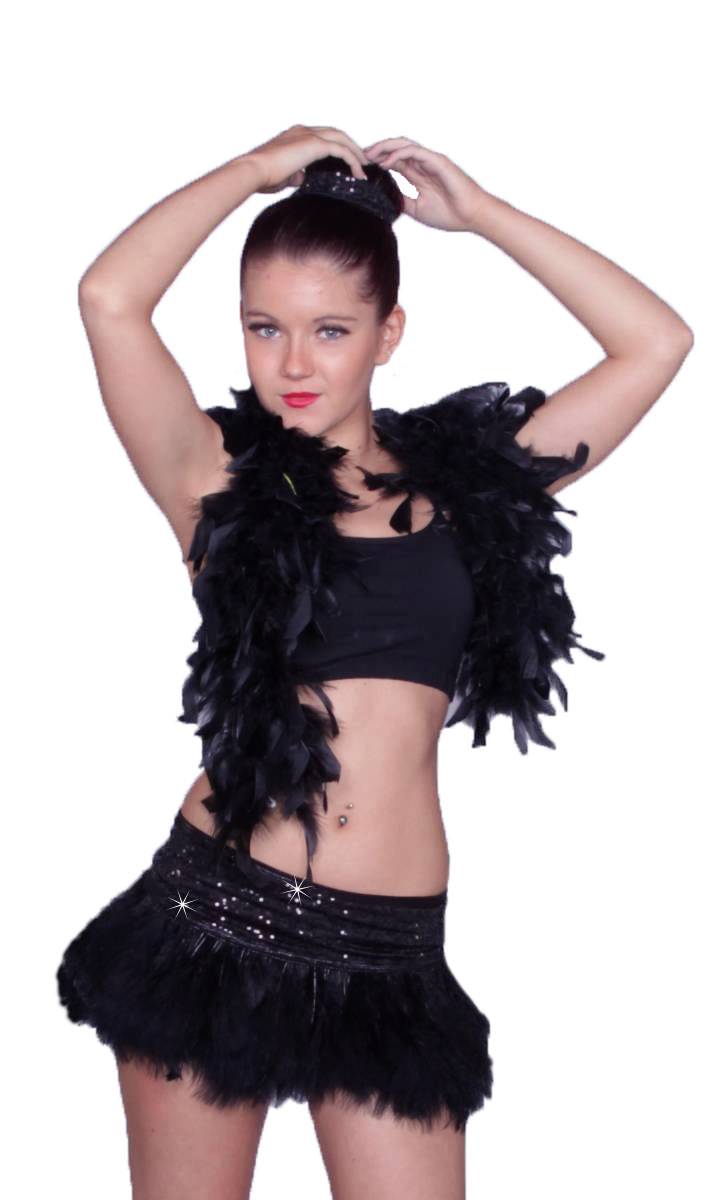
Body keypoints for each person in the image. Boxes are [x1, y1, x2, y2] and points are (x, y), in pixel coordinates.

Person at [56, 124, 693, 1199]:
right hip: (218, 921)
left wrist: (483, 216)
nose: (294, 365)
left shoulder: (470, 487)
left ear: (390, 332)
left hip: (392, 953)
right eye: (264, 327)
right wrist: (254, 171)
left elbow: (657, 343)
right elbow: (108, 297)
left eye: (332, 330)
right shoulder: (209, 476)